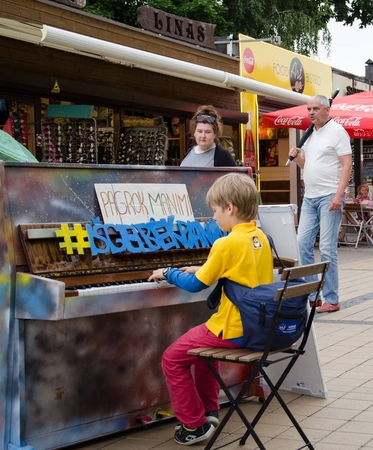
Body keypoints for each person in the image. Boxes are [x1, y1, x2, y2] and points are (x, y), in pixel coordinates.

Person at [147, 174, 273, 445]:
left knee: (172, 359)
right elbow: (233, 271)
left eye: (215, 210)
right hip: (259, 327)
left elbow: (194, 285)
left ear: (230, 208)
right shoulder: (260, 236)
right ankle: (208, 411)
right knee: (203, 355)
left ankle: (194, 425)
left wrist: (168, 272)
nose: (213, 217)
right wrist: (203, 269)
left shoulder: (225, 243)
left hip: (233, 328)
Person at [288, 95, 352, 313]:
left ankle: (332, 299)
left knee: (326, 247)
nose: (311, 112)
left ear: (327, 109)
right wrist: (296, 158)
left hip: (329, 196)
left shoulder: (337, 131)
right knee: (302, 242)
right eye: (308, 109)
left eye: (315, 108)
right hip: (310, 196)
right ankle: (314, 293)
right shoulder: (310, 135)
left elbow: (346, 165)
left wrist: (338, 195)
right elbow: (307, 165)